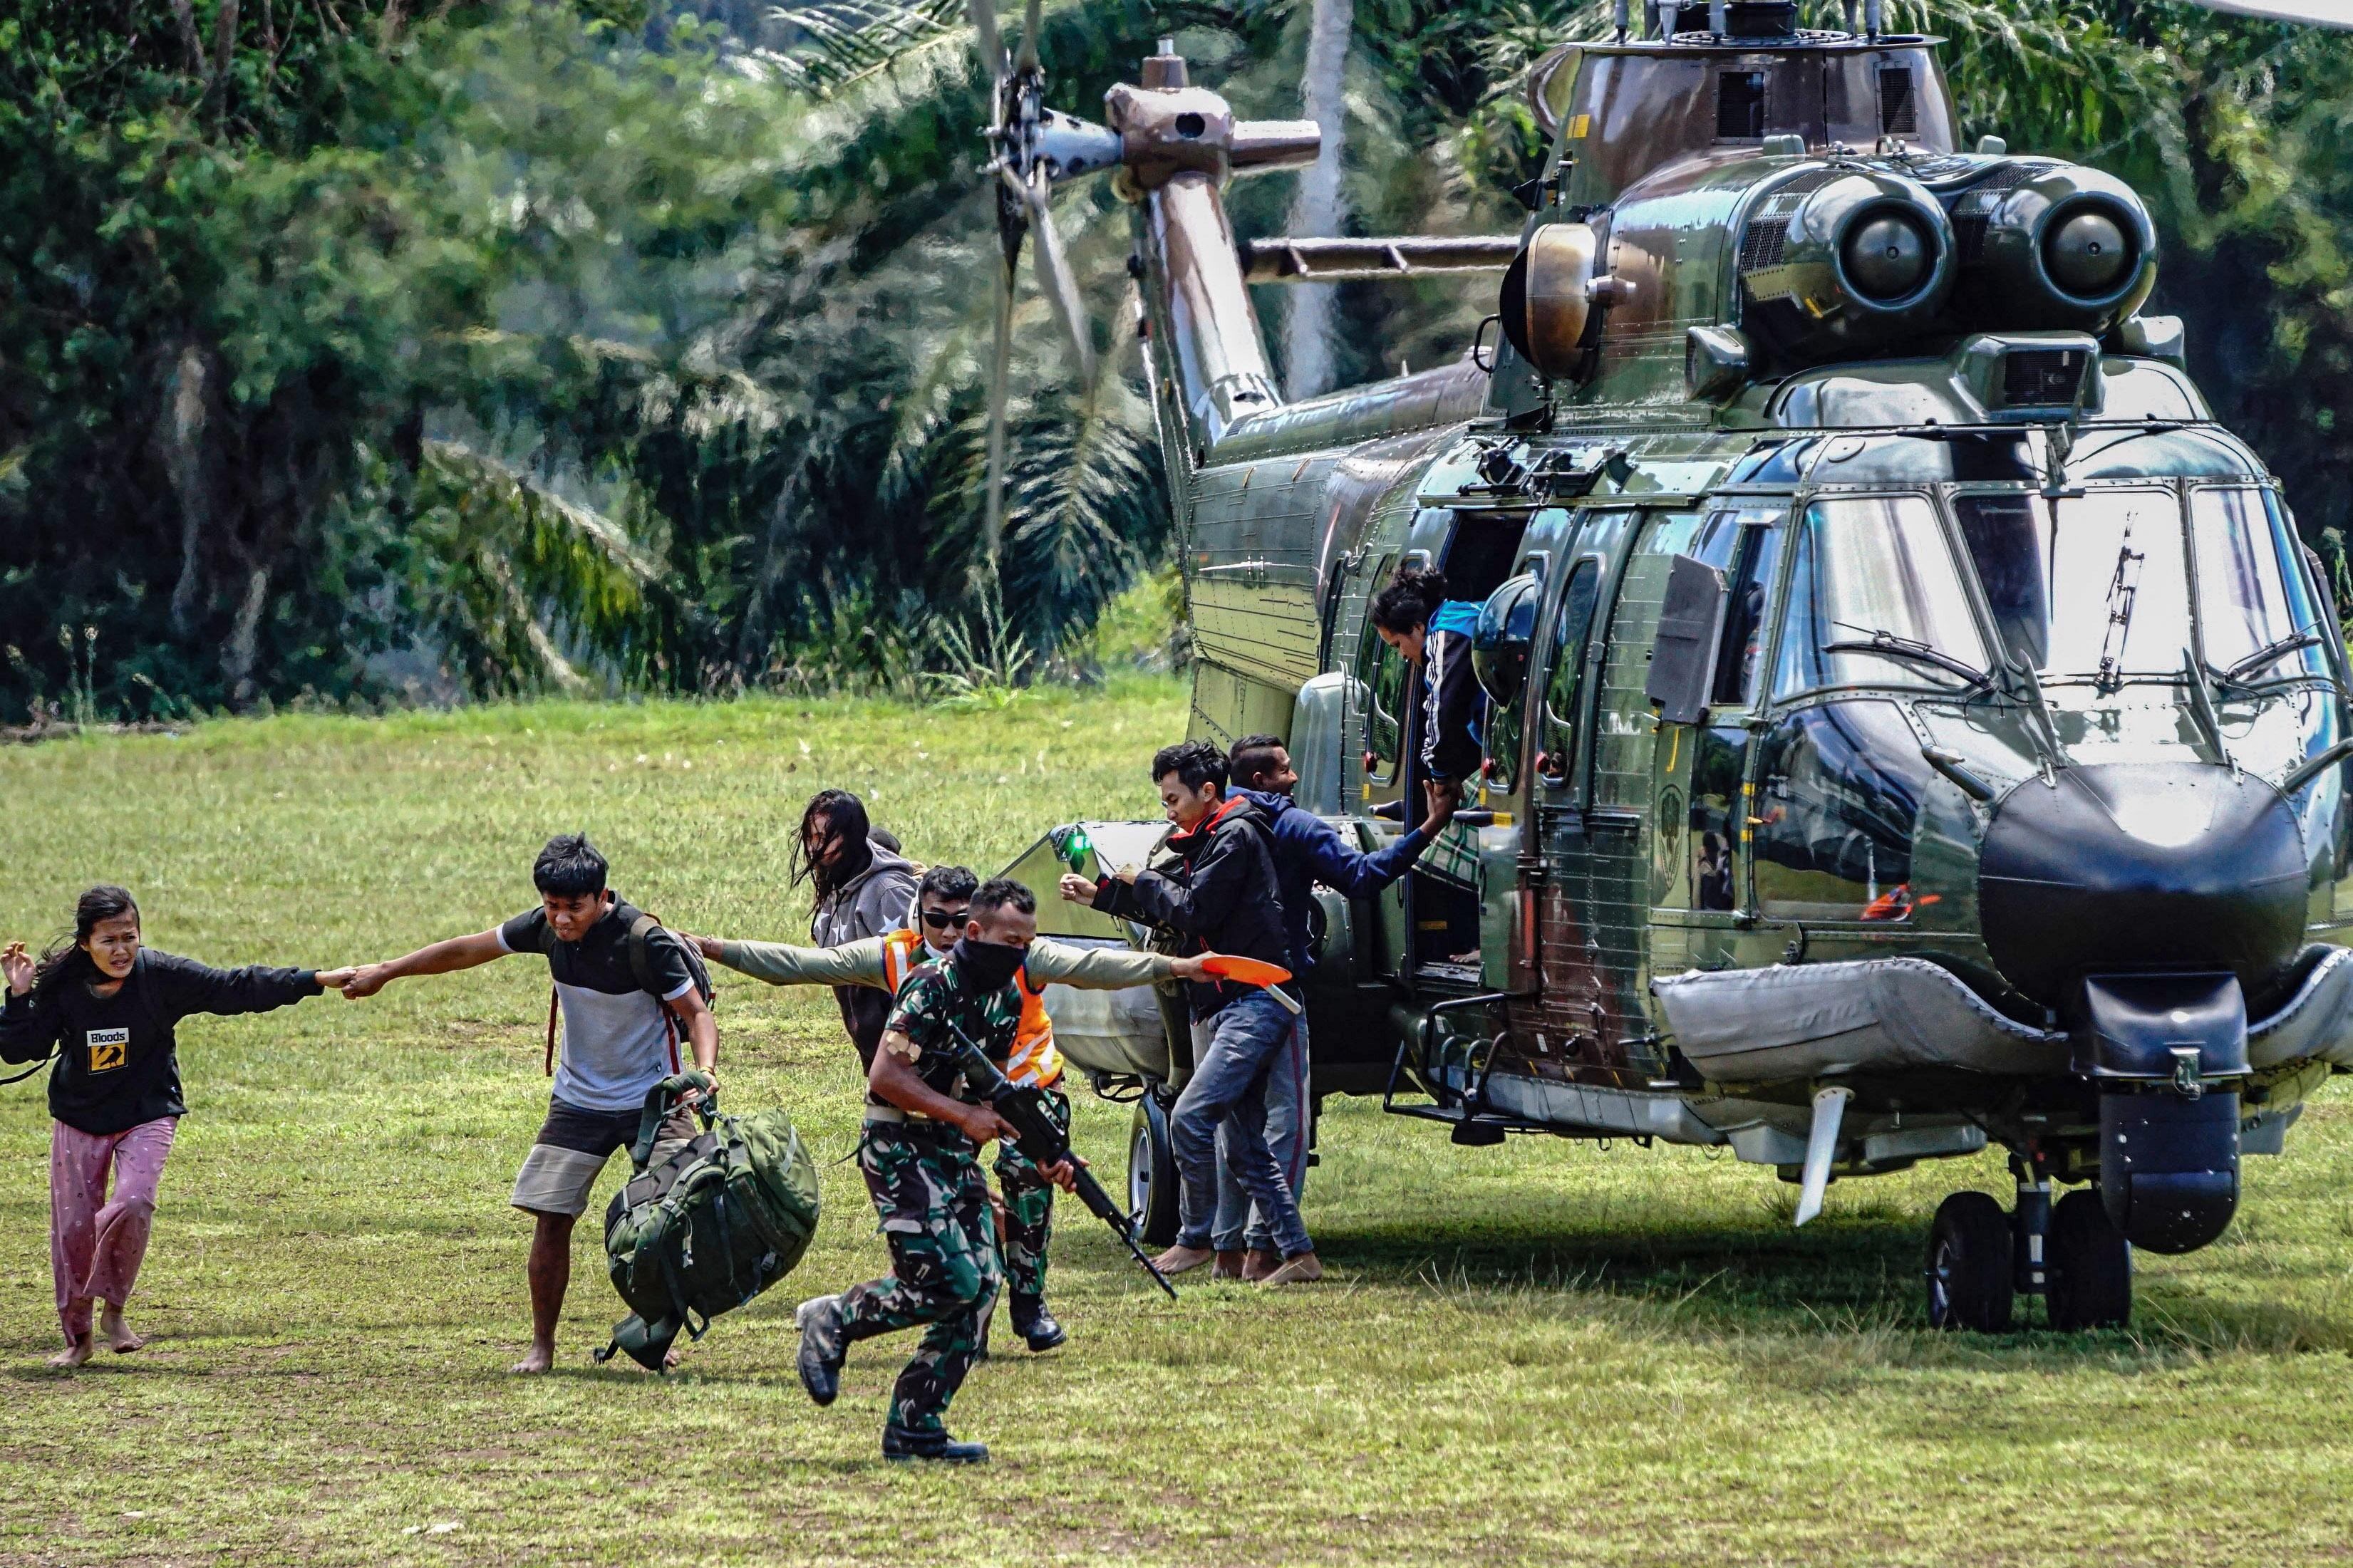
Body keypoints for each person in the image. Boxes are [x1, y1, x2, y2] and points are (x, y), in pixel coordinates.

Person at [688, 862, 1224, 1350]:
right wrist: (708, 946)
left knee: (1027, 1177)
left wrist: (1176, 967)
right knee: (953, 1233)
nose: (945, 932)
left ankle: (1028, 1300)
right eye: (935, 919)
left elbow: (1093, 965)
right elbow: (801, 964)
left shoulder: (1016, 951)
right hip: (943, 1106)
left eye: (957, 920)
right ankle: (948, 1314)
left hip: (1028, 1090)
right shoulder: (900, 956)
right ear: (919, 915)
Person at [340, 834, 718, 1374]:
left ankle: (655, 1335)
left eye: (573, 908)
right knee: (551, 1217)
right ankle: (542, 1346)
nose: (561, 919)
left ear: (602, 895)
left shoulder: (643, 941)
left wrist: (704, 1071)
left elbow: (697, 1012)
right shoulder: (543, 928)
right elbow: (466, 948)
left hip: (653, 1100)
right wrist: (387, 970)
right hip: (579, 1099)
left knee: (668, 1219)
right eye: (552, 905)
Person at [1, 886, 353, 1368]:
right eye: (108, 940)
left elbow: (234, 986)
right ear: (86, 943)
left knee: (134, 1201)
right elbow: (22, 1050)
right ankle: (78, 1338)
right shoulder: (63, 987)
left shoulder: (160, 976)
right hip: (80, 1118)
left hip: (147, 1112)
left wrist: (313, 979)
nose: (121, 949)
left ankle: (115, 1311)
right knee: (74, 1232)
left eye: (130, 937)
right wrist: (20, 997)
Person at [794, 878, 1079, 1464]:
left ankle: (916, 1426)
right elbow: (886, 1077)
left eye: (1028, 941)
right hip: (898, 1144)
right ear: (974, 932)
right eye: (1009, 940)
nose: (1020, 952)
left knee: (982, 1287)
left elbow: (993, 1091)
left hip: (951, 1152)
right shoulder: (930, 985)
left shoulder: (1006, 999)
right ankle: (833, 1318)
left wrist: (1053, 1154)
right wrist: (963, 1115)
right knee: (945, 1280)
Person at [1060, 740, 1321, 1287]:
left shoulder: (1236, 836)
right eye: (1164, 800)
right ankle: (1297, 1254)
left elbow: (1191, 907)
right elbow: (1180, 902)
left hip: (1255, 1001)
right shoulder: (1209, 836)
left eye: (1174, 798)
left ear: (1209, 791)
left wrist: (1140, 878)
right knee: (1243, 1142)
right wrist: (1104, 894)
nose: (1168, 810)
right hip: (1227, 1003)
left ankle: (1194, 1238)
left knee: (1191, 1116)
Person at [1214, 735, 1461, 1280]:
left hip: (1217, 991)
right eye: (1283, 770)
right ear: (1261, 780)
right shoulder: (1294, 825)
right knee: (1289, 1121)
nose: (1295, 778)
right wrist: (1431, 825)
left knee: (1231, 1122)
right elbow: (1362, 877)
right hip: (1277, 993)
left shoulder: (1213, 822)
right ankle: (1268, 1249)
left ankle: (1224, 1249)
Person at [796, 789, 921, 1070]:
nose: (816, 847)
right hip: (873, 1043)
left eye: (826, 837)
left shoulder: (887, 891)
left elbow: (919, 975)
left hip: (906, 1051)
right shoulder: (837, 880)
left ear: (851, 838)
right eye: (811, 837)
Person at [1370, 565, 1486, 786]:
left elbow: (1442, 709)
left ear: (1417, 628)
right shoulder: (1461, 615)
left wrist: (1439, 776)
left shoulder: (1446, 634)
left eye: (1397, 645)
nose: (1403, 655)